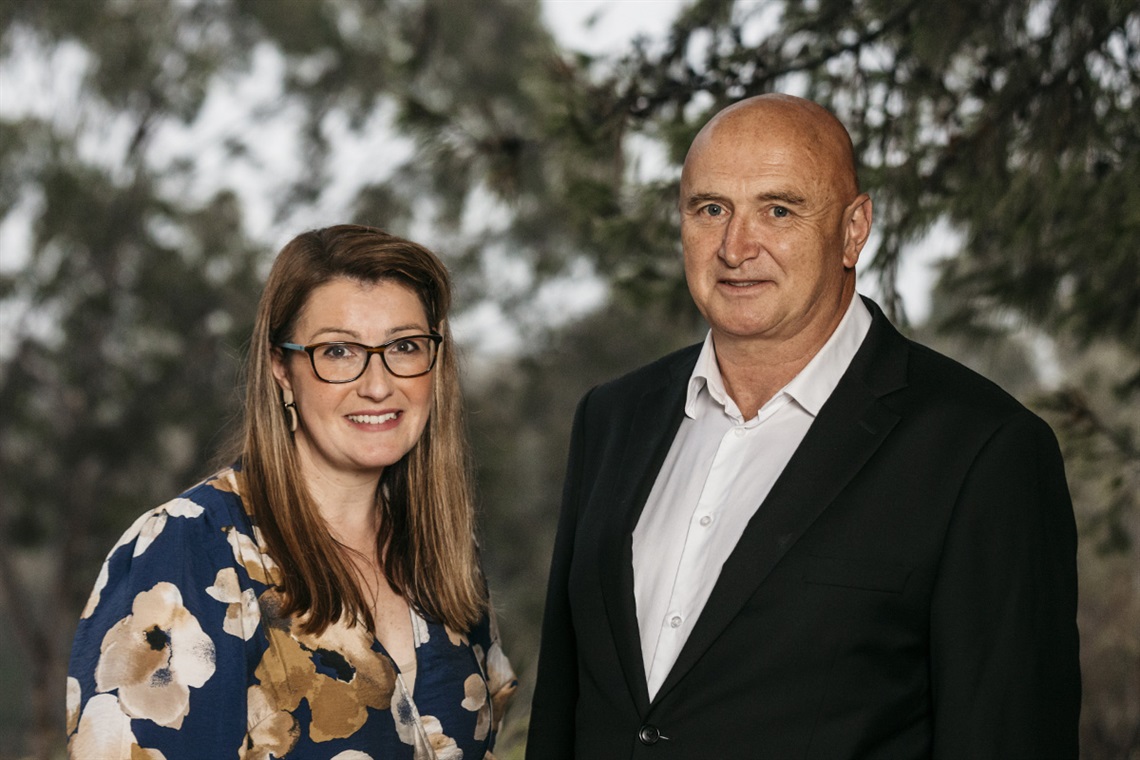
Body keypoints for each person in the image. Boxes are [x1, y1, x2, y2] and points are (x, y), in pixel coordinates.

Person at [526, 94, 1080, 758]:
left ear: (853, 230)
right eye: (710, 210)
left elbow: (1008, 738)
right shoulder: (612, 418)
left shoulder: (982, 451)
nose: (736, 246)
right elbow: (563, 710)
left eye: (779, 210)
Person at [67, 224, 517, 759]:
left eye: (404, 346)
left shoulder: (444, 554)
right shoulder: (187, 549)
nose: (378, 384)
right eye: (339, 351)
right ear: (282, 367)